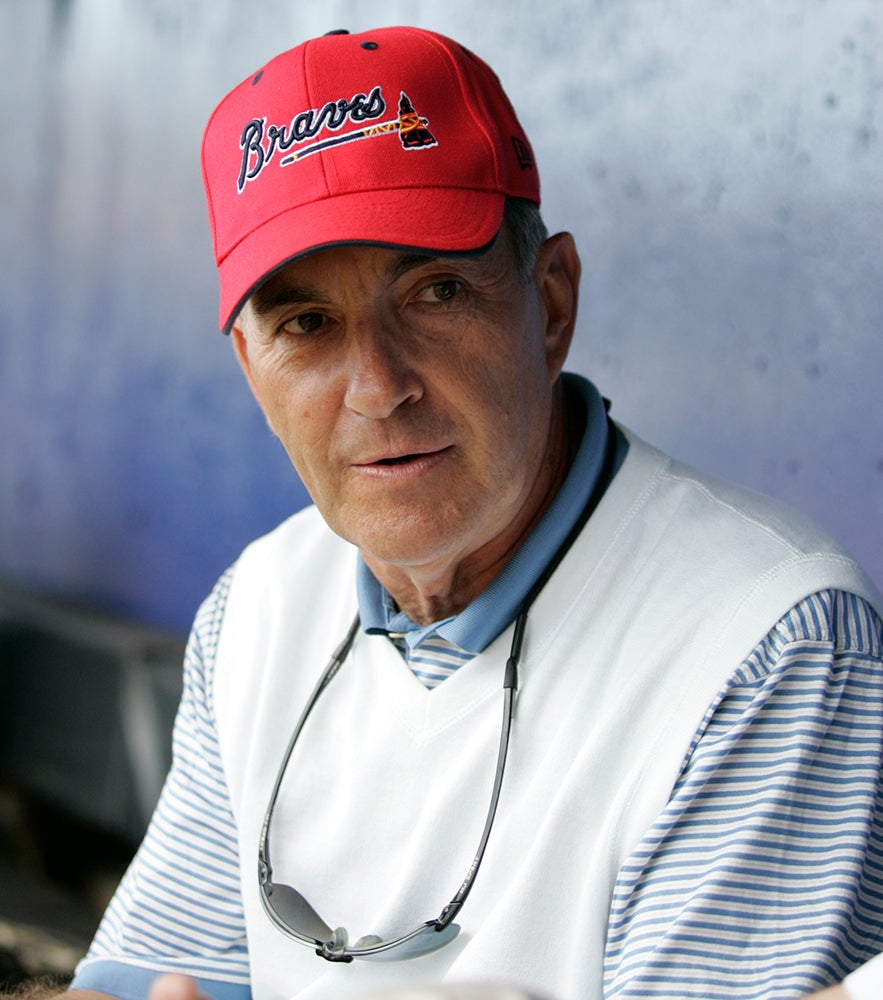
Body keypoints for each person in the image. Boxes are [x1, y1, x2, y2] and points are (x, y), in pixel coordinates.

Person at [59, 25, 882, 1000]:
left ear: (551, 302)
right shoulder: (258, 609)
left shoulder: (768, 641)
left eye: (435, 290)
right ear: (250, 367)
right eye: (306, 324)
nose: (375, 387)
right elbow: (135, 986)